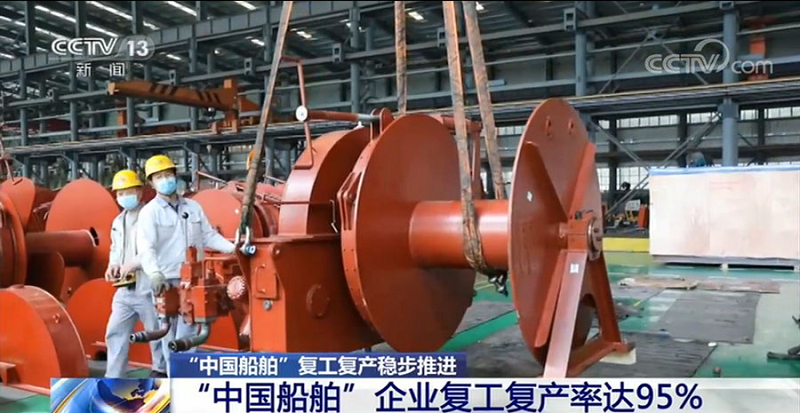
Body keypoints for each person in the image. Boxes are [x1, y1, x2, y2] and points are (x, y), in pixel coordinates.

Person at [136, 155, 236, 372]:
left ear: (175, 176)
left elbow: (209, 236)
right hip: (166, 281)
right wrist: (154, 274)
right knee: (168, 334)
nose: (165, 180)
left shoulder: (193, 207)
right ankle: (175, 380)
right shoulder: (149, 213)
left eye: (168, 175)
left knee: (188, 334)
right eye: (159, 177)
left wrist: (234, 248)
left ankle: (183, 379)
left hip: (192, 280)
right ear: (151, 183)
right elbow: (146, 248)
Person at [104, 169, 167, 378]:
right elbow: (115, 249)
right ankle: (113, 377)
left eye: (128, 191)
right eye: (120, 193)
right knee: (115, 332)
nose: (124, 196)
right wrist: (112, 265)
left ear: (139, 192)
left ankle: (161, 371)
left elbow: (155, 249)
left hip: (148, 288)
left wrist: (133, 264)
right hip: (124, 290)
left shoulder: (151, 217)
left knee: (156, 332)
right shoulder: (117, 222)